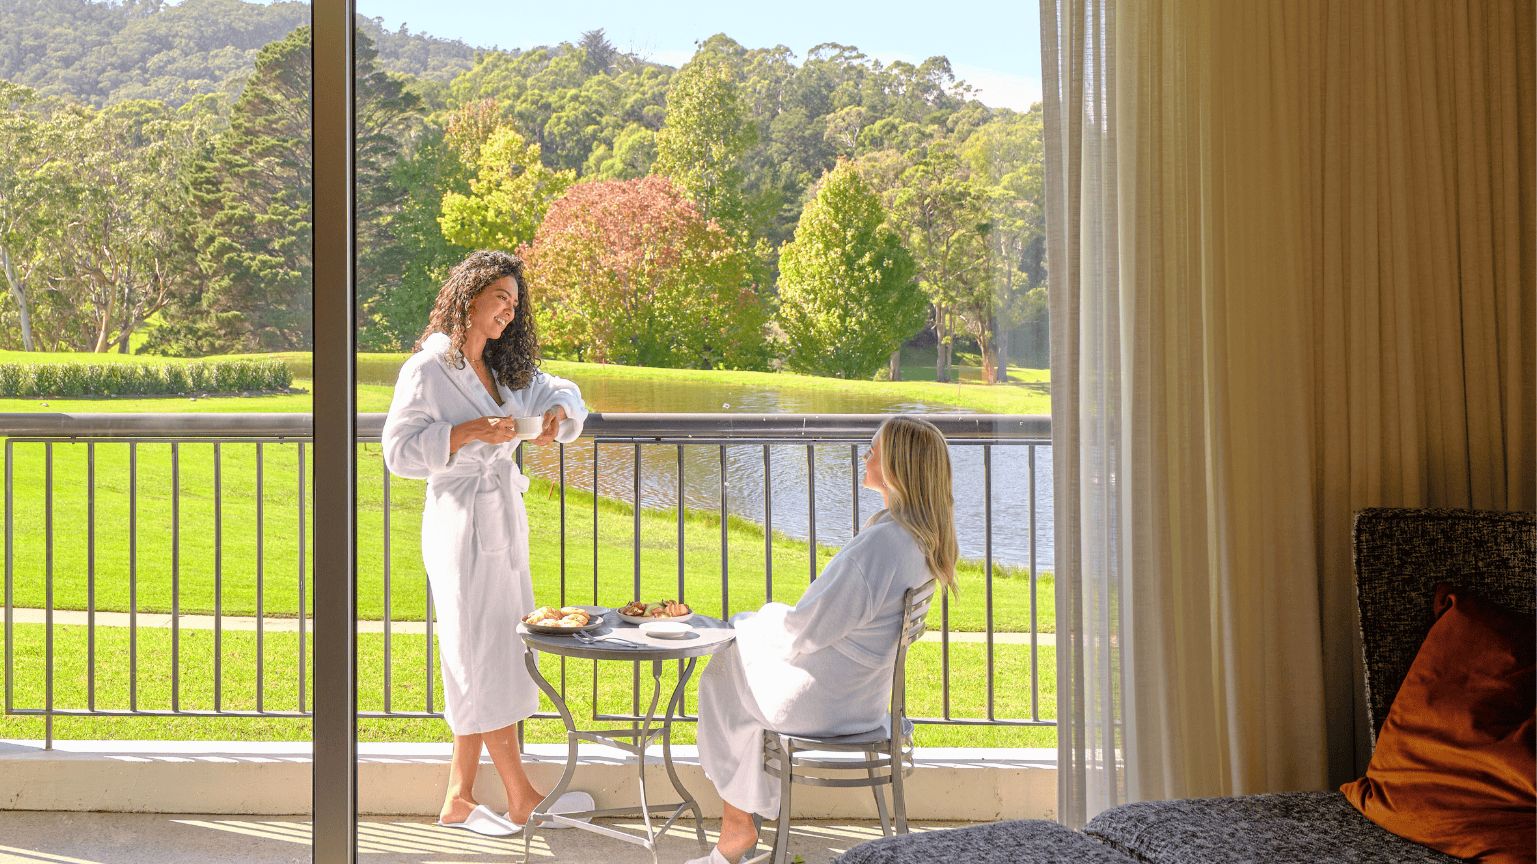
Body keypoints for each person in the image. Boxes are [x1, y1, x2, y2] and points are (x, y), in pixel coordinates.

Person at [382, 250, 592, 837]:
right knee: (479, 653)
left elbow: (565, 390)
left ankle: (459, 797)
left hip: (502, 519)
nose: (509, 311)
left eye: (515, 303)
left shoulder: (502, 369)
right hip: (459, 523)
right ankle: (521, 796)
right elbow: (397, 453)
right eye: (501, 297)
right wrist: (468, 431)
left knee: (492, 648)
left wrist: (556, 413)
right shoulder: (427, 370)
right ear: (469, 295)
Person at [687, 416, 959, 864]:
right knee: (742, 668)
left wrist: (750, 622)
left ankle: (737, 829)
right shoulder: (917, 539)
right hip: (863, 702)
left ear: (897, 466)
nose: (865, 457)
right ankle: (740, 824)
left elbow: (807, 629)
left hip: (823, 705)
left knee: (726, 665)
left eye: (874, 450)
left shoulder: (881, 547)